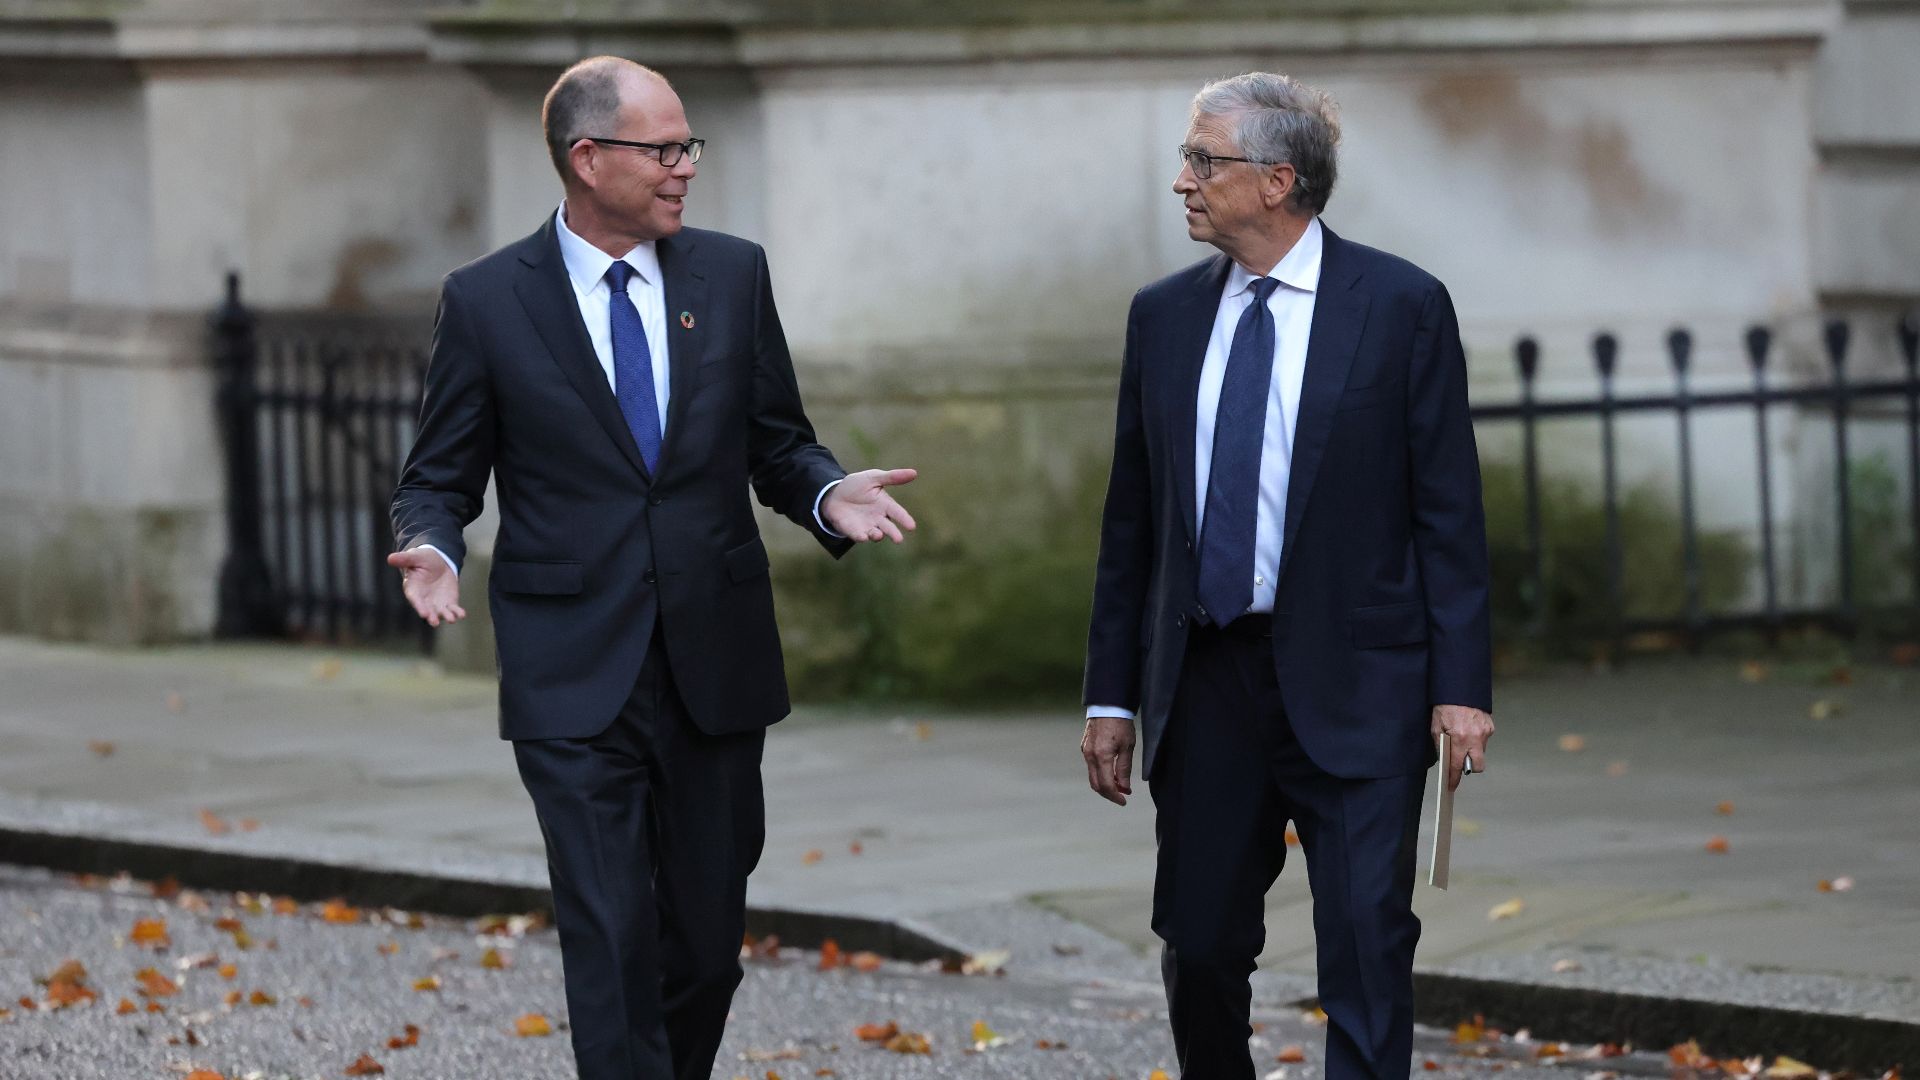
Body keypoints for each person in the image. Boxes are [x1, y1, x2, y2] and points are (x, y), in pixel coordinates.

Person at [386, 56, 916, 1080]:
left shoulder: (732, 274)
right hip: (572, 668)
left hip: (713, 659)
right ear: (588, 159)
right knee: (610, 932)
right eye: (664, 149)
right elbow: (437, 477)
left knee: (705, 951)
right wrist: (436, 548)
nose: (686, 167)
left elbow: (777, 441)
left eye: (689, 146)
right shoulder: (488, 300)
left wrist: (825, 493)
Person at [1079, 72, 1495, 1080]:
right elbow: (1133, 522)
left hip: (1363, 679)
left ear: (1277, 181)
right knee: (1200, 943)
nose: (1181, 180)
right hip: (1208, 680)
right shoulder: (1163, 317)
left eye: (1203, 160)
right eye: (1186, 158)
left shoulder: (1399, 306)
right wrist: (1111, 696)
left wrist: (1461, 688)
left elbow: (1448, 512)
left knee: (1365, 941)